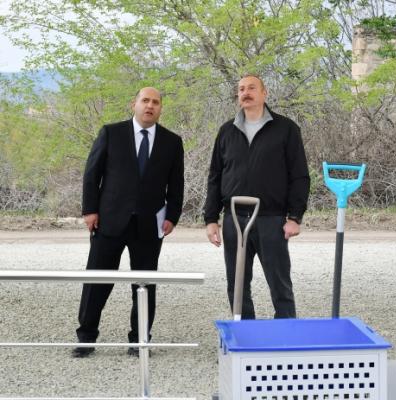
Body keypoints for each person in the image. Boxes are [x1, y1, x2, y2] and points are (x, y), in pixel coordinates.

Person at [74, 87, 184, 358]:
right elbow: (92, 174)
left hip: (149, 225)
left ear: (160, 108)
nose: (150, 106)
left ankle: (139, 341)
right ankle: (86, 338)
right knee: (97, 281)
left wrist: (172, 216)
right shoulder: (111, 133)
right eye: (145, 101)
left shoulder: (172, 141)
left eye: (155, 102)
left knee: (144, 285)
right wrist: (90, 210)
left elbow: (177, 184)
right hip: (109, 221)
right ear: (133, 104)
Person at [203, 74, 310, 319]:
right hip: (234, 218)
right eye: (241, 89)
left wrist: (295, 217)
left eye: (252, 88)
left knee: (279, 282)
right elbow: (215, 176)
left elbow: (300, 176)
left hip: (271, 218)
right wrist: (211, 219)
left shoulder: (285, 129)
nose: (246, 93)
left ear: (265, 93)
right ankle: (245, 334)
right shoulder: (227, 130)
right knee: (237, 284)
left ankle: (284, 335)